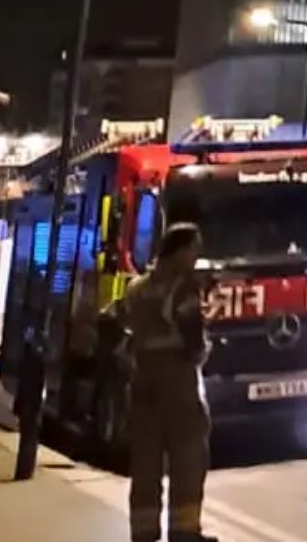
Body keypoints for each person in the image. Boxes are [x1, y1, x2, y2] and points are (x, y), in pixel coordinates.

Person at [122, 220, 211, 542]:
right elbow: (193, 336)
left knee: (145, 463)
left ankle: (143, 532)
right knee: (188, 457)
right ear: (180, 250)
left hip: (143, 381)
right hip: (177, 381)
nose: (196, 256)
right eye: (194, 249)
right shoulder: (183, 287)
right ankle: (184, 531)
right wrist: (201, 352)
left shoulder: (137, 287)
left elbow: (121, 324)